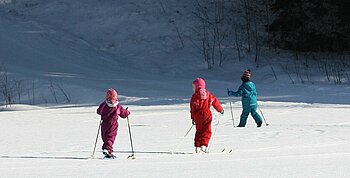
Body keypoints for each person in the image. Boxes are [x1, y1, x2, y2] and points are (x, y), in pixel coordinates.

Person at [190, 78, 224, 153]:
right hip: (207, 114)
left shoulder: (194, 97)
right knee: (207, 130)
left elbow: (192, 109)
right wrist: (220, 110)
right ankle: (204, 145)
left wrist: (193, 118)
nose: (193, 89)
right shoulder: (208, 94)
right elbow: (215, 102)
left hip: (197, 115)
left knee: (199, 130)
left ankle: (198, 146)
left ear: (198, 87)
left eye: (194, 87)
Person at [97, 88, 130, 158]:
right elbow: (123, 114)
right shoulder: (117, 106)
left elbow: (99, 111)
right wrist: (127, 112)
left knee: (105, 136)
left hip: (104, 123)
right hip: (113, 124)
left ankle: (106, 149)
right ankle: (107, 149)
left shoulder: (104, 104)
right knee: (111, 137)